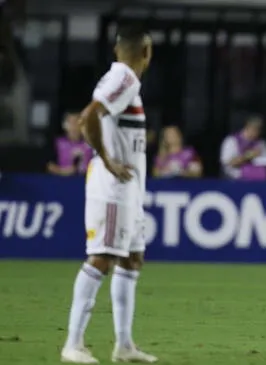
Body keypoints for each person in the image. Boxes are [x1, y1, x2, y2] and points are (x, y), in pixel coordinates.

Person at [60, 25, 157, 364]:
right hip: (114, 187)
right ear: (147, 52)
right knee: (102, 257)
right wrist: (107, 159)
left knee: (132, 259)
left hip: (129, 188)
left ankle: (124, 345)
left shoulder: (120, 79)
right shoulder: (125, 80)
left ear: (118, 50)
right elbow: (87, 118)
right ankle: (73, 344)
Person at [220, 115, 266, 181]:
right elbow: (227, 163)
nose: (256, 133)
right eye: (254, 129)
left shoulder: (262, 143)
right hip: (235, 180)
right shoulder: (231, 140)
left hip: (260, 181)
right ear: (247, 127)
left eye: (258, 130)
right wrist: (248, 156)